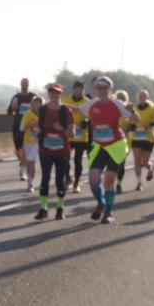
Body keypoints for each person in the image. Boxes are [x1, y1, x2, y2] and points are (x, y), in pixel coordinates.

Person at [79, 76, 134, 224]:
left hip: (116, 146)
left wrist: (132, 111)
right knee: (93, 179)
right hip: (100, 147)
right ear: (95, 89)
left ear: (110, 89)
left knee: (108, 181)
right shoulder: (92, 103)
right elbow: (76, 110)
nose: (102, 90)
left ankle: (109, 212)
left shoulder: (118, 103)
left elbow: (136, 119)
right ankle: (101, 203)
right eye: (99, 87)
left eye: (105, 88)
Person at [33, 84, 73, 220]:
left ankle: (60, 209)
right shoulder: (43, 110)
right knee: (45, 178)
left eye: (57, 93)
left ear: (61, 94)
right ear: (49, 94)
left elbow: (72, 133)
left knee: (59, 180)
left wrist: (61, 129)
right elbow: (40, 126)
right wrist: (37, 131)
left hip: (62, 151)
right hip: (46, 149)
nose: (54, 95)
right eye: (52, 92)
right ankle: (43, 209)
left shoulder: (66, 111)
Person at [62, 80, 92, 193]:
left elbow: (93, 118)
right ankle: (68, 178)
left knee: (77, 160)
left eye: (81, 90)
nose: (79, 92)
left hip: (81, 136)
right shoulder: (66, 101)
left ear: (83, 90)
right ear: (73, 89)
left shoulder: (87, 102)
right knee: (64, 158)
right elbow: (60, 115)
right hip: (68, 135)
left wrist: (87, 123)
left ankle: (76, 183)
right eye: (76, 89)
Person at [129, 89, 154, 192]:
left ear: (147, 97)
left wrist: (150, 124)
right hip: (136, 137)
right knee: (137, 160)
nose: (142, 98)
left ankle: (150, 168)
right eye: (140, 96)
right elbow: (131, 122)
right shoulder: (134, 109)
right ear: (138, 98)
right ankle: (139, 183)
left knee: (145, 162)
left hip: (148, 138)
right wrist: (132, 127)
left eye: (144, 96)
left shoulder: (151, 109)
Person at [8, 78, 36, 183]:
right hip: (18, 126)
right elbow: (9, 111)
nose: (25, 85)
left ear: (29, 84)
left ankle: (23, 169)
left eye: (26, 83)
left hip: (30, 127)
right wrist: (13, 107)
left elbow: (40, 109)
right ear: (20, 84)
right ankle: (23, 163)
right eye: (23, 83)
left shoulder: (33, 97)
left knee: (27, 148)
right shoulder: (17, 97)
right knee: (18, 148)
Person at [19, 95, 42, 193]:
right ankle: (30, 181)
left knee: (33, 163)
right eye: (35, 103)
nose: (37, 105)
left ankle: (32, 183)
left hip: (40, 142)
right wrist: (31, 125)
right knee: (29, 164)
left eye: (39, 103)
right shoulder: (27, 114)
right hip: (28, 142)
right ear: (32, 104)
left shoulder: (44, 115)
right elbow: (21, 128)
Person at [114, 90, 133, 194]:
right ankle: (112, 183)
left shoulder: (128, 110)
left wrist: (127, 128)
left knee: (121, 163)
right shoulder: (112, 109)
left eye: (123, 99)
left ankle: (118, 183)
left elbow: (134, 124)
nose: (121, 101)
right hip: (112, 141)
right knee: (113, 163)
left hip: (125, 140)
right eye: (119, 99)